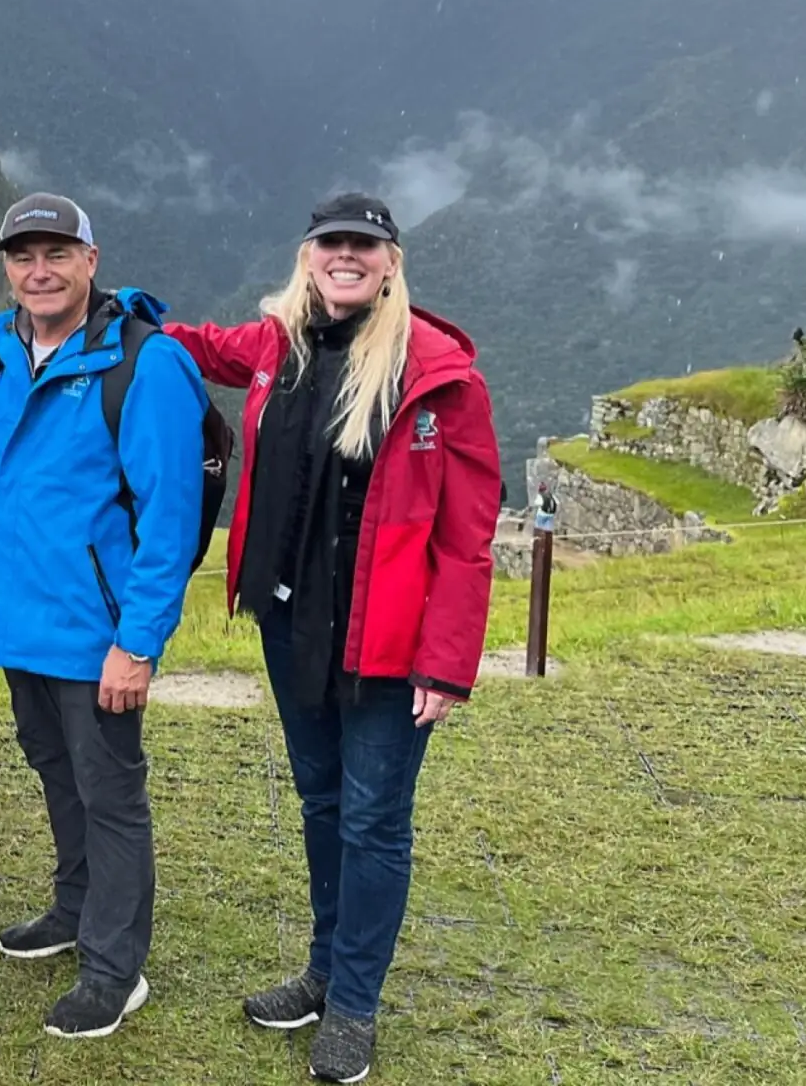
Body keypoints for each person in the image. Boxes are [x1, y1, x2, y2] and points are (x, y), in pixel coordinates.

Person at [163, 193, 499, 1085]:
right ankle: (322, 971)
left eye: (364, 245)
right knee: (321, 804)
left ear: (390, 261)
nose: (346, 256)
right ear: (308, 256)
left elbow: (469, 537)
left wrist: (447, 662)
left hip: (390, 643)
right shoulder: (281, 344)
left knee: (375, 821)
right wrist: (123, 313)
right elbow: (202, 346)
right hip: (293, 621)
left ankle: (354, 1005)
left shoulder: (435, 373)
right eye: (331, 243)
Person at [0, 192, 209, 1041]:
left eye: (57, 254)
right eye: (24, 255)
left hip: (97, 633)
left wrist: (137, 644)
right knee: (55, 771)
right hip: (20, 619)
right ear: (7, 267)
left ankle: (115, 967)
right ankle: (73, 909)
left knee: (109, 792)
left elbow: (168, 518)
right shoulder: (2, 354)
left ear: (90, 262)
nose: (40, 270)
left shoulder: (143, 363)